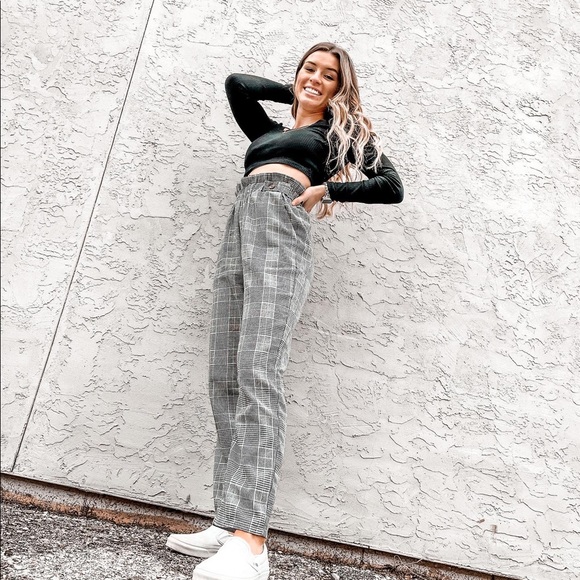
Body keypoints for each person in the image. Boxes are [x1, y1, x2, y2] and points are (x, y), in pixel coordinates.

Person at [166, 41, 404, 580]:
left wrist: (327, 188)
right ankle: (228, 522)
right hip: (239, 229)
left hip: (280, 234)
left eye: (329, 76)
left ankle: (252, 543)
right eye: (309, 70)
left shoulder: (337, 133)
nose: (316, 78)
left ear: (341, 88)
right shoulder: (266, 130)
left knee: (257, 374)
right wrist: (297, 92)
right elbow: (238, 84)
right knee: (225, 377)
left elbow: (392, 186)